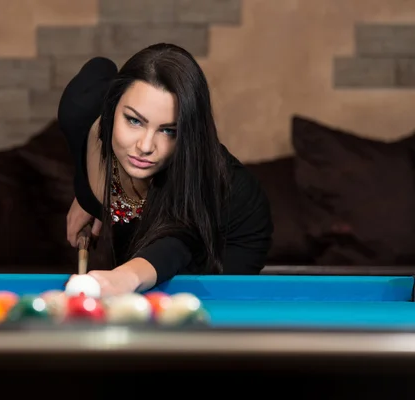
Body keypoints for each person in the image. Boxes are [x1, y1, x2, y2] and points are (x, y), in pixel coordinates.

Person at [58, 43, 273, 297]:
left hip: (227, 231)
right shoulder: (80, 111)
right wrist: (86, 193)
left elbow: (177, 244)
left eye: (168, 130)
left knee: (186, 312)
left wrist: (123, 278)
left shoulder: (202, 181)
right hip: (158, 233)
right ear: (111, 106)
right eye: (134, 120)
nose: (146, 146)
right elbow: (100, 66)